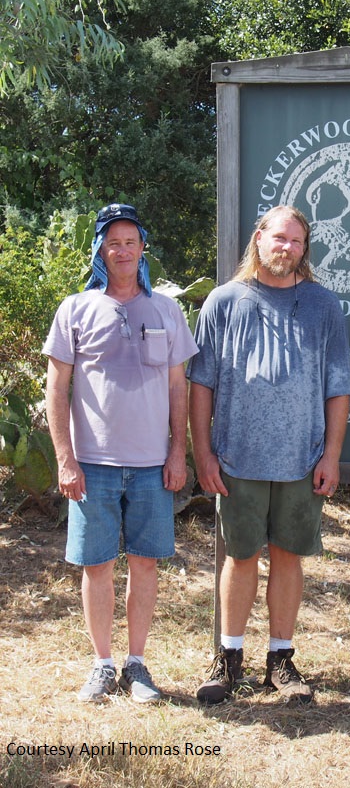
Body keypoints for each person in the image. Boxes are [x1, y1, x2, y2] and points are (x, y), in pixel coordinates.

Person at [188, 205, 350, 705]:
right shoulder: (222, 302)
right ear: (259, 240)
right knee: (240, 558)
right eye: (279, 238)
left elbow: (339, 388)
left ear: (305, 250)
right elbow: (201, 387)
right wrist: (203, 454)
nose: (287, 248)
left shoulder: (324, 306)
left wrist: (332, 456)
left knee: (288, 558)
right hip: (237, 457)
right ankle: (229, 659)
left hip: (302, 460)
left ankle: (280, 661)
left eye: (297, 242)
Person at [43, 202, 198, 703]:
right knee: (97, 566)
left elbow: (180, 388)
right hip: (93, 466)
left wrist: (180, 452)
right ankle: (102, 665)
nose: (123, 250)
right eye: (114, 243)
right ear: (100, 250)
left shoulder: (166, 310)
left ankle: (137, 665)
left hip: (153, 464)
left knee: (145, 564)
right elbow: (57, 389)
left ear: (142, 248)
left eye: (132, 242)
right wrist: (66, 459)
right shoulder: (75, 309)